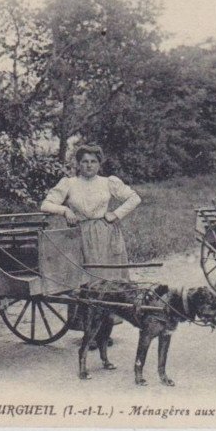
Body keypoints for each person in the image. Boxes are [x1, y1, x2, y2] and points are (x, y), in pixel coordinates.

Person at [40, 143, 141, 346]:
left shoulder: (108, 182)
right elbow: (46, 204)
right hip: (79, 237)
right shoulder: (69, 183)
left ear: (99, 164)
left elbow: (134, 198)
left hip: (106, 236)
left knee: (109, 282)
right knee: (86, 285)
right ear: (78, 164)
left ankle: (105, 332)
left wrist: (116, 214)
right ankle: (89, 333)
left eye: (93, 162)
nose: (88, 166)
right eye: (84, 162)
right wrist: (65, 211)